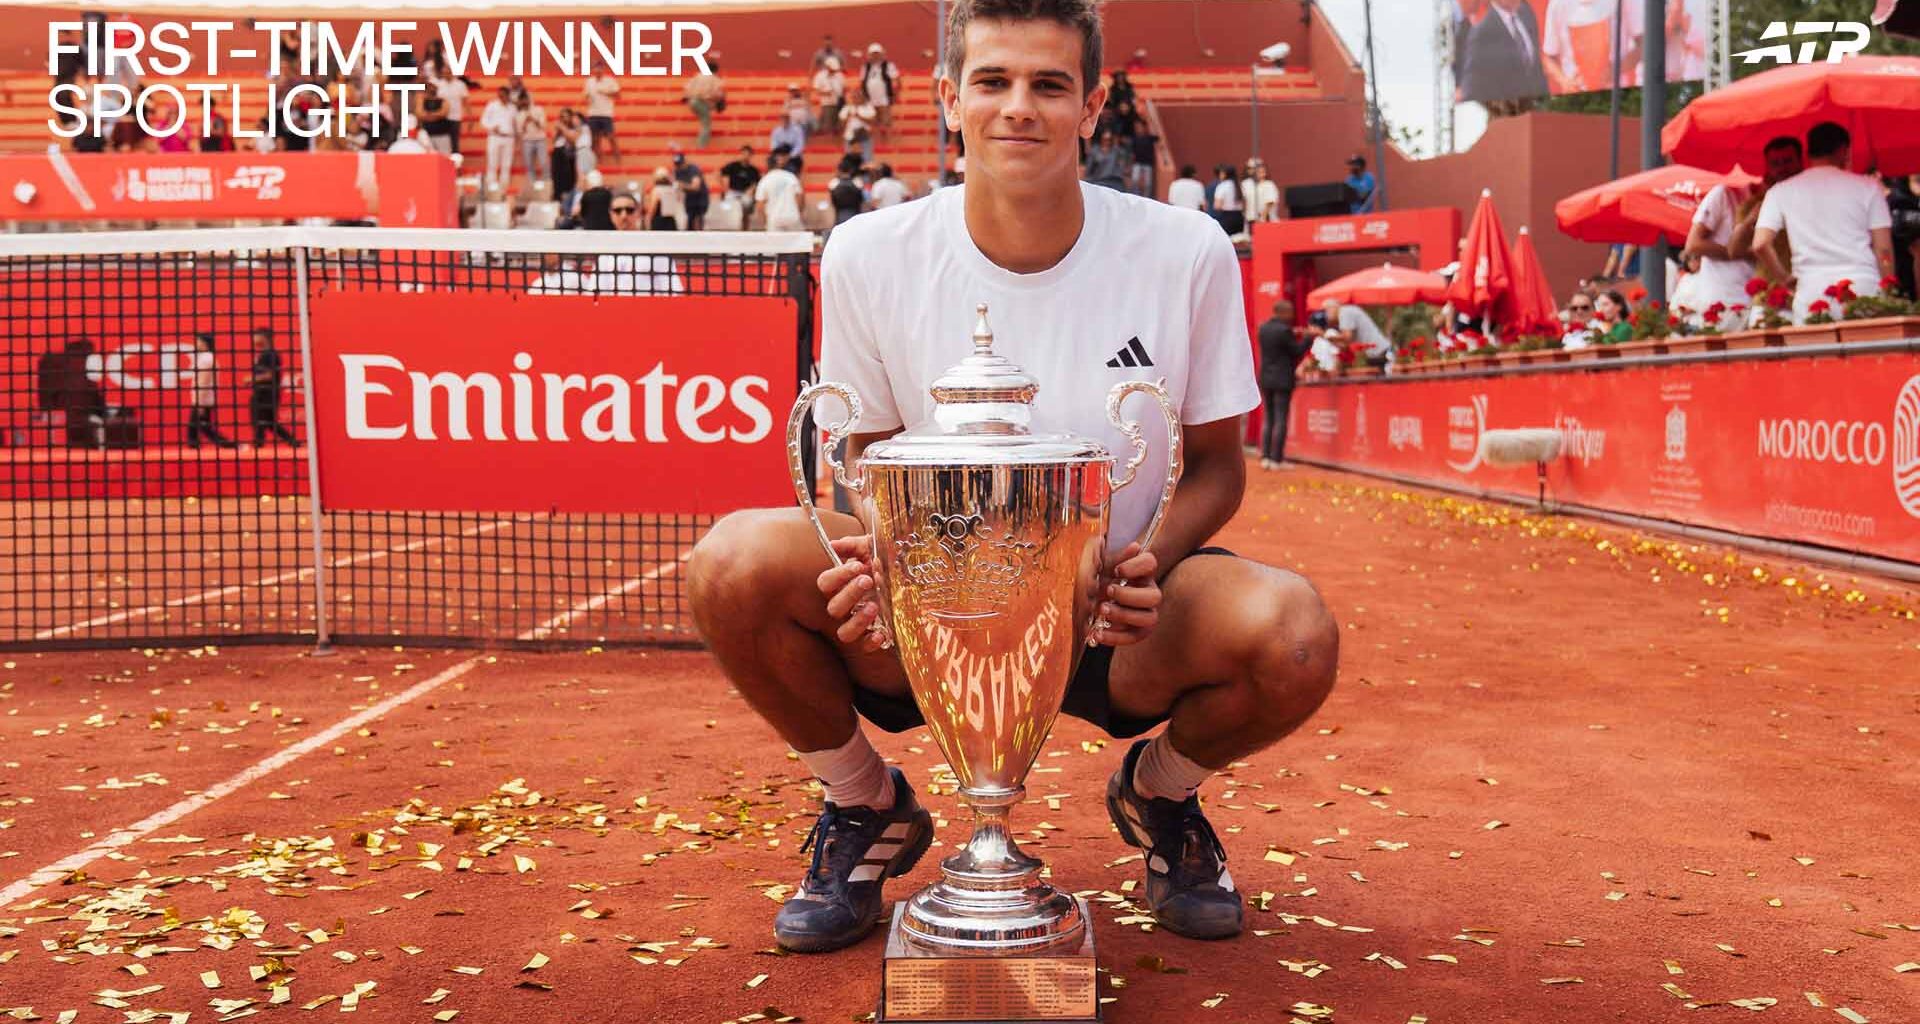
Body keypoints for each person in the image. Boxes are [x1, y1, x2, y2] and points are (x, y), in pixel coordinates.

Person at [685, 0, 1338, 955]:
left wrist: (1143, 562)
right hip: (943, 607)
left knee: (1293, 635)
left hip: (1120, 612)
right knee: (730, 562)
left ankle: (1157, 796)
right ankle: (868, 807)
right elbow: (859, 456)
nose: (1017, 108)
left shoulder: (1187, 251)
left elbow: (1216, 470)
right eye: (992, 82)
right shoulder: (870, 251)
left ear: (1092, 103)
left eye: (1048, 84)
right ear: (950, 97)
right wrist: (885, 558)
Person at [1752, 122, 1895, 321]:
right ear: (1844, 150)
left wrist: (1784, 279)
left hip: (1811, 291)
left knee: (1813, 352)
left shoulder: (1780, 191)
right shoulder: (1869, 187)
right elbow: (1884, 251)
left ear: (1808, 152)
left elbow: (1760, 244)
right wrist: (1889, 290)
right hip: (1862, 287)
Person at [1683, 135, 1804, 319]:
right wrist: (1750, 222)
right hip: (1757, 298)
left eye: (1787, 161)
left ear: (1801, 162)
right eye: (1775, 163)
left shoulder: (1813, 195)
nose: (1782, 168)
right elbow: (1728, 249)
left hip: (1802, 291)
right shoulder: (1739, 199)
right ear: (1767, 167)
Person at [1256, 301, 1311, 469]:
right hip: (1282, 380)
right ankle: (1277, 459)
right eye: (1291, 312)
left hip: (1266, 378)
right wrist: (1308, 337)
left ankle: (1265, 457)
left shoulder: (1263, 329)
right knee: (1280, 419)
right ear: (1284, 312)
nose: (1293, 316)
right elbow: (1296, 351)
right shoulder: (1284, 330)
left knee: (1269, 418)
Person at [1459, 0, 1549, 104]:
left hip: (1540, 108)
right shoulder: (1481, 35)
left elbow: (1536, 69)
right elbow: (1471, 90)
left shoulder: (1526, 12)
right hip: (1510, 111)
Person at [185, 334, 237, 449]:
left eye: (198, 341)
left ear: (204, 343)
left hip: (203, 399)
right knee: (203, 428)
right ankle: (230, 445)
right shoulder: (207, 357)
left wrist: (199, 402)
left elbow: (203, 380)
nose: (196, 344)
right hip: (204, 399)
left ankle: (231, 446)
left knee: (198, 429)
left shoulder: (206, 358)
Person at [248, 330, 298, 447]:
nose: (254, 339)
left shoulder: (270, 354)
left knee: (259, 418)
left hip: (266, 394)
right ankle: (292, 441)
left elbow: (270, 375)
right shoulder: (264, 354)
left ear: (264, 338)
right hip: (266, 392)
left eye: (257, 336)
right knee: (270, 422)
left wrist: (252, 379)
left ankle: (258, 442)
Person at [755, 149, 806, 232]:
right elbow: (800, 197)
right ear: (778, 164)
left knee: (776, 245)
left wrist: (766, 222)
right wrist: (798, 212)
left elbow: (760, 205)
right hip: (792, 217)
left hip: (774, 220)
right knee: (798, 244)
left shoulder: (764, 180)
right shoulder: (790, 177)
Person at [859, 43, 902, 139]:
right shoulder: (865, 67)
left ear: (881, 54)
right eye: (873, 54)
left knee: (885, 123)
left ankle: (886, 143)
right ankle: (875, 143)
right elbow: (861, 83)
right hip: (869, 100)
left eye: (877, 53)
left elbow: (897, 80)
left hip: (884, 99)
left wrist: (896, 94)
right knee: (872, 122)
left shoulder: (888, 66)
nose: (875, 56)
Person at [480, 86, 517, 194]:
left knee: (506, 165)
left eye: (503, 95)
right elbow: (483, 121)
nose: (501, 97)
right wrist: (492, 127)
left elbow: (515, 123)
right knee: (492, 163)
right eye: (499, 95)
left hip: (509, 137)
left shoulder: (512, 108)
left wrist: (517, 136)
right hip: (494, 137)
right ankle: (491, 189)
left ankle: (503, 190)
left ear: (507, 95)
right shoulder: (492, 106)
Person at [583, 62, 621, 160]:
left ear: (603, 70)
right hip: (593, 113)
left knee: (611, 137)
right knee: (595, 139)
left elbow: (618, 96)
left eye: (599, 69)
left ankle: (618, 160)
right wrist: (587, 98)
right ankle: (599, 160)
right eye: (595, 69)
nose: (597, 71)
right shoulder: (589, 81)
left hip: (606, 114)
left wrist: (606, 93)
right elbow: (586, 95)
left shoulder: (610, 81)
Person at [685, 60, 726, 150]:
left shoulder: (698, 76)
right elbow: (718, 94)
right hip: (701, 102)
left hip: (693, 102)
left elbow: (687, 88)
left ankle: (701, 145)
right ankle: (701, 147)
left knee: (705, 120)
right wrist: (719, 101)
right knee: (706, 125)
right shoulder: (714, 79)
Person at [671, 144, 711, 230]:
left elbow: (696, 187)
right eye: (677, 164)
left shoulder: (693, 169)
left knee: (699, 220)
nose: (678, 166)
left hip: (700, 198)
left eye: (680, 164)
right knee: (689, 221)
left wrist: (681, 185)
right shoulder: (677, 171)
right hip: (689, 198)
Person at [516, 91, 548, 188]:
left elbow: (543, 126)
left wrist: (533, 119)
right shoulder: (519, 114)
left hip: (540, 139)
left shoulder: (539, 109)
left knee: (544, 163)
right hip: (527, 141)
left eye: (525, 98)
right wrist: (525, 122)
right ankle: (532, 186)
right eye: (522, 99)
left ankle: (546, 185)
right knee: (529, 165)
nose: (524, 101)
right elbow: (520, 131)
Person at [722, 145, 763, 221]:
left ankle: (744, 228)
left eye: (748, 154)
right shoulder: (732, 166)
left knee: (746, 203)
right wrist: (726, 188)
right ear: (740, 154)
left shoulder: (753, 170)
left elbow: (756, 183)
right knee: (729, 203)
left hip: (745, 194)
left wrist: (751, 190)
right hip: (732, 192)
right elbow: (723, 175)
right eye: (744, 154)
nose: (745, 156)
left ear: (751, 156)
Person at [812, 57, 846, 142]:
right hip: (827, 103)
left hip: (839, 102)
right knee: (828, 124)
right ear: (827, 67)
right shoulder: (820, 76)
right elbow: (816, 90)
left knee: (839, 124)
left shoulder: (840, 75)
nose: (834, 71)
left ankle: (837, 138)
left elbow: (843, 88)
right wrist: (826, 93)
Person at [1211, 164, 1245, 236]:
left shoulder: (1222, 186)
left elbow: (1217, 206)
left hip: (1227, 217)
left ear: (1225, 174)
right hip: (1239, 217)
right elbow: (1245, 203)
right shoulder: (1239, 185)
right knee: (1238, 241)